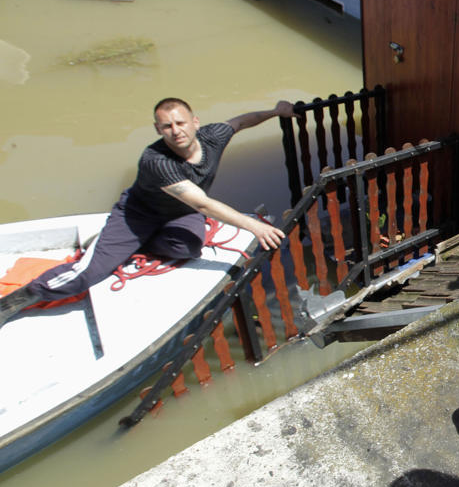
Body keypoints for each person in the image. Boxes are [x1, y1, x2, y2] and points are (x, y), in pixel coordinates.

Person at [0, 97, 295, 328]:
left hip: (180, 212)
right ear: (158, 129)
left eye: (181, 123)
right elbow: (202, 204)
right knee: (88, 274)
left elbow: (241, 122)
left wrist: (275, 111)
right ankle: (14, 302)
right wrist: (253, 226)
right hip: (138, 215)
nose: (176, 131)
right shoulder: (157, 160)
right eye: (167, 126)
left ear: (195, 122)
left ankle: (127, 247)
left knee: (189, 248)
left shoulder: (214, 136)